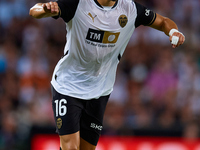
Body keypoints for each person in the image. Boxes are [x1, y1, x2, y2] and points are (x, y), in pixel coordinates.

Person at [29, 0, 185, 150]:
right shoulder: (78, 4)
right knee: (70, 146)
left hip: (99, 90)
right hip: (67, 85)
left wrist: (173, 31)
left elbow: (163, 21)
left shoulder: (130, 9)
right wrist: (44, 10)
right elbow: (34, 11)